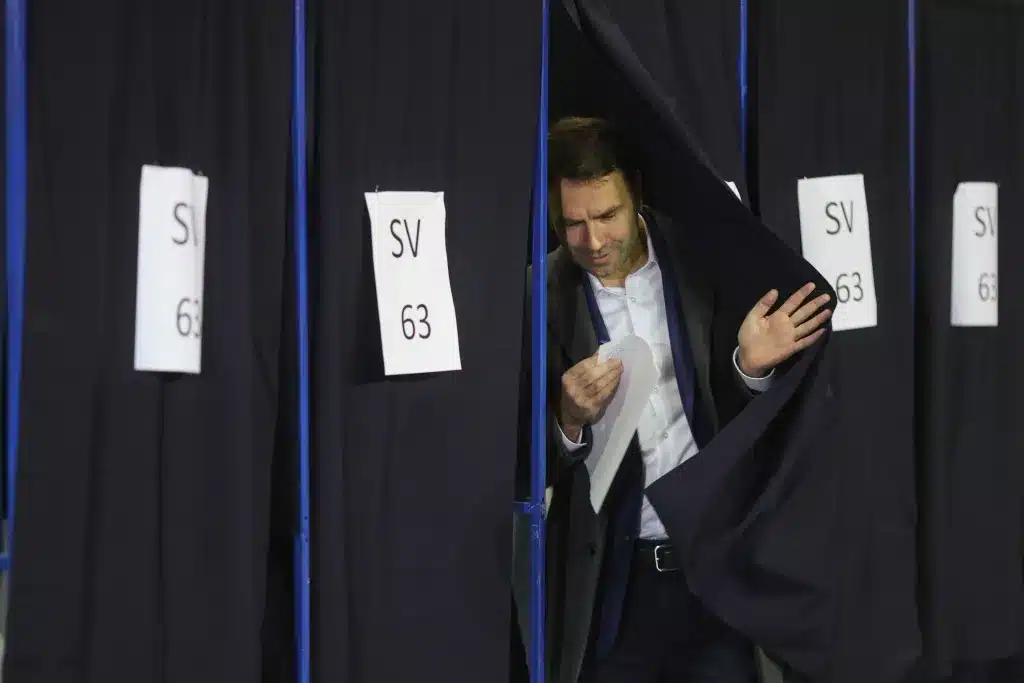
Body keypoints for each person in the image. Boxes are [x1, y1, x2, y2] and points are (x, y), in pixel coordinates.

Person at [527, 116, 832, 683]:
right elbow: (518, 464)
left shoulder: (703, 258)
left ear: (636, 194)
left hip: (715, 578)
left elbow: (752, 424)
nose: (593, 241)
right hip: (612, 595)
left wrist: (750, 368)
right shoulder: (537, 297)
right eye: (572, 224)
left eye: (607, 216)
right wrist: (566, 421)